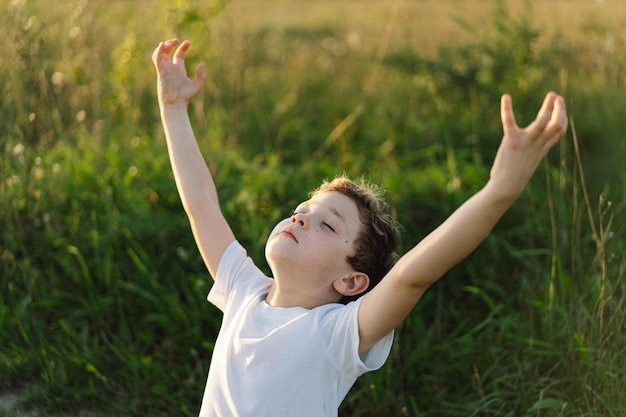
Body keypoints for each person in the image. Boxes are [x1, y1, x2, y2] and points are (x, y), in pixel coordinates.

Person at [152, 38, 568, 417]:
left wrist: (499, 190)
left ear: (351, 281)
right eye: (303, 208)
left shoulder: (333, 335)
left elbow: (412, 275)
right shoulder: (244, 291)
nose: (301, 217)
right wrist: (174, 110)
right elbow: (201, 205)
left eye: (328, 225)